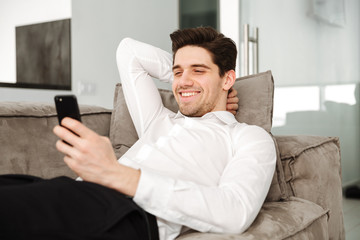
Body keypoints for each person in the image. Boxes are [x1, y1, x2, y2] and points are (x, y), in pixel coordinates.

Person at [0, 27, 276, 240]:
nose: (183, 81)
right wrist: (195, 79)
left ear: (228, 78)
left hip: (129, 214)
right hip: (78, 190)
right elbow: (128, 51)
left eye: (199, 70)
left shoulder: (247, 137)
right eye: (177, 72)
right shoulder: (159, 121)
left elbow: (235, 211)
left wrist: (116, 174)